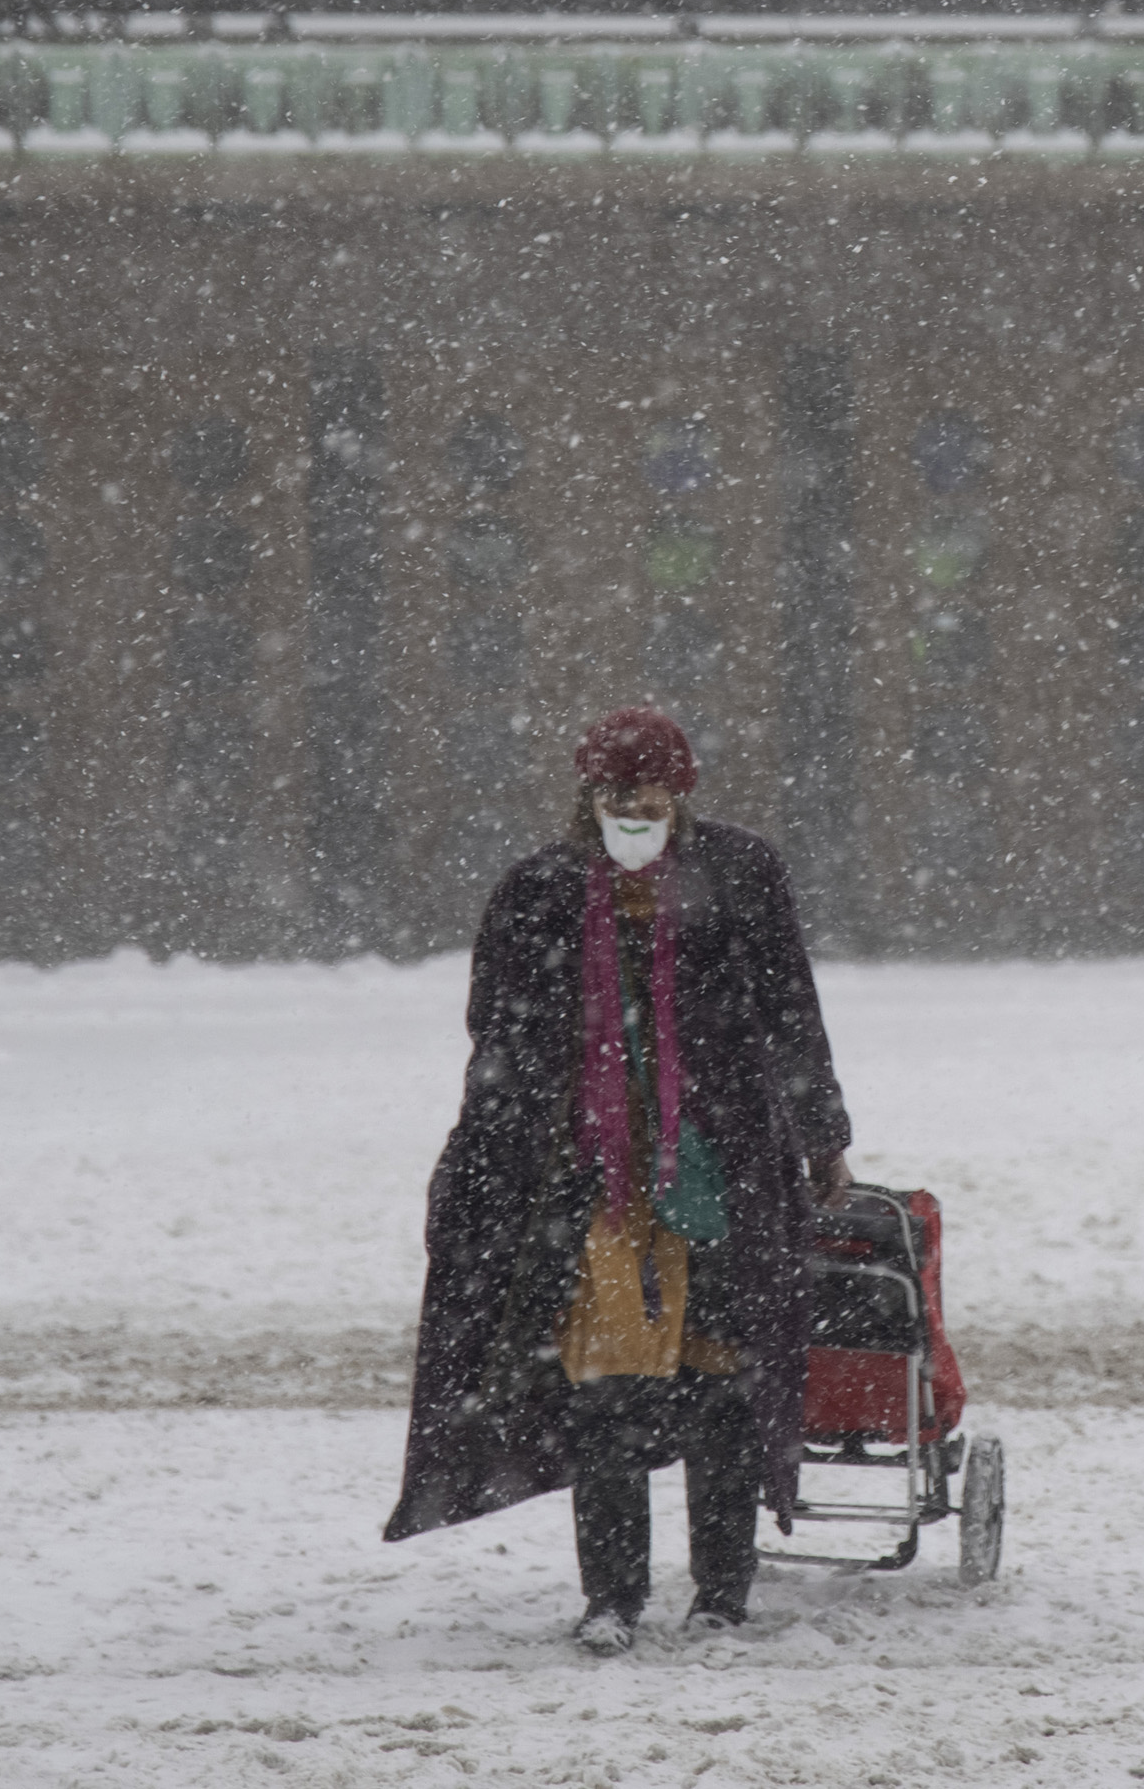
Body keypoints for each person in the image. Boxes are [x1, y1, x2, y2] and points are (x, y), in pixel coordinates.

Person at [384, 706, 855, 1654]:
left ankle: (722, 1590)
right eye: (616, 793)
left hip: (722, 1175)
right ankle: (613, 1598)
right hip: (590, 1185)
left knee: (722, 1382)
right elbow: (498, 1035)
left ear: (681, 792)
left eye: (651, 792)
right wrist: (493, 1155)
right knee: (603, 1389)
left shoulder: (740, 872)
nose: (635, 808)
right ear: (587, 796)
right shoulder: (540, 891)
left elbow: (788, 1007)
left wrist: (823, 1137)